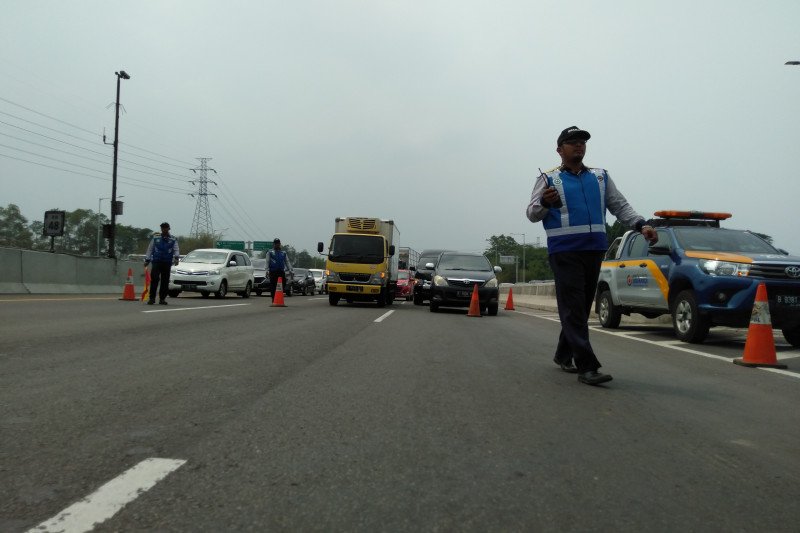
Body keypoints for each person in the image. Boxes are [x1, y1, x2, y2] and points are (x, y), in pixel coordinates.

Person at [526, 126, 657, 386]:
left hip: (594, 249)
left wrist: (641, 224)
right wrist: (545, 203)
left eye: (582, 142)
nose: (579, 146)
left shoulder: (600, 177)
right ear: (559, 149)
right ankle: (587, 366)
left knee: (582, 307)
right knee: (574, 306)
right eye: (572, 142)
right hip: (564, 251)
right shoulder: (549, 179)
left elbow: (619, 206)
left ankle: (563, 354)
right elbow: (531, 213)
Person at [144, 222, 180, 305]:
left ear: (168, 229)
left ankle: (162, 299)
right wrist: (147, 259)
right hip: (156, 261)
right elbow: (150, 249)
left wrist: (176, 258)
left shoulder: (173, 239)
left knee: (165, 281)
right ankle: (152, 298)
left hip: (167, 262)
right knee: (155, 279)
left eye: (165, 228)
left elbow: (176, 249)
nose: (164, 229)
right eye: (162, 228)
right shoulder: (156, 238)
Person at [266, 238, 289, 302]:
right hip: (273, 271)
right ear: (274, 244)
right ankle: (273, 299)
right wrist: (267, 270)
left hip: (281, 271)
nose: (277, 245)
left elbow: (287, 262)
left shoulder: (283, 253)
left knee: (283, 283)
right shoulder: (270, 252)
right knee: (273, 285)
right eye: (276, 244)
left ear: (280, 244)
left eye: (278, 244)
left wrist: (290, 270)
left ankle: (279, 296)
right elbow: (267, 262)